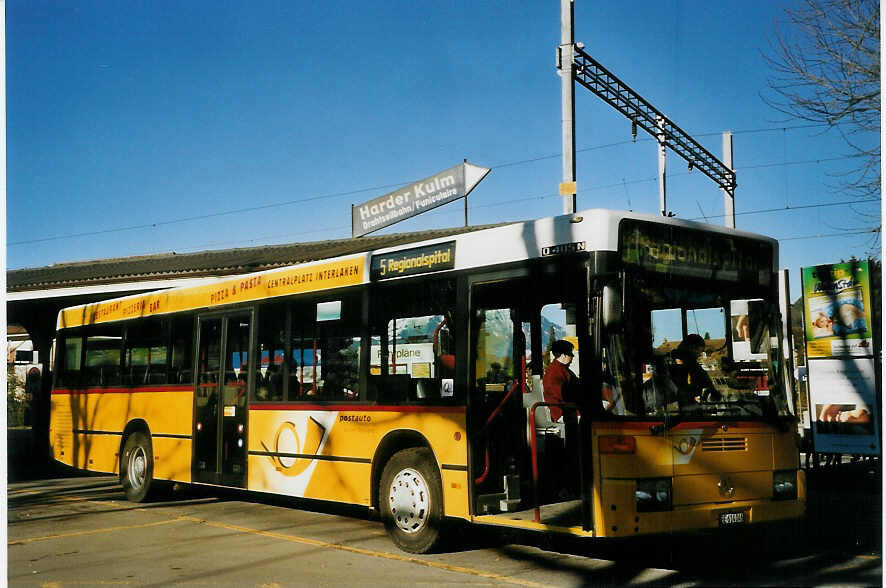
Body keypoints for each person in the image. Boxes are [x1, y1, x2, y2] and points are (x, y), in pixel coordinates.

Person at [670, 334, 719, 404]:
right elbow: (705, 382)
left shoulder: (669, 359)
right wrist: (713, 392)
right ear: (692, 348)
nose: (699, 355)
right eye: (699, 352)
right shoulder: (692, 365)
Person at [542, 339, 580, 421]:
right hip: (562, 412)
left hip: (568, 409)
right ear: (564, 355)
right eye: (571, 354)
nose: (572, 357)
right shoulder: (554, 372)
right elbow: (563, 394)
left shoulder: (561, 369)